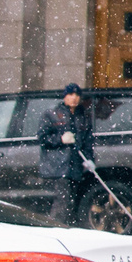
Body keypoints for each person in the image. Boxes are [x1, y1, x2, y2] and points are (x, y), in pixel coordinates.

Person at [38, 83, 97, 225]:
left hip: (75, 167)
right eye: (71, 94)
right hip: (57, 167)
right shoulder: (52, 114)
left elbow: (87, 141)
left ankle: (68, 227)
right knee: (62, 200)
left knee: (72, 201)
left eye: (77, 95)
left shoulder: (83, 116)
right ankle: (56, 227)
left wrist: (89, 159)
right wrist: (60, 139)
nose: (74, 98)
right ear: (65, 96)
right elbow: (42, 138)